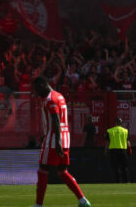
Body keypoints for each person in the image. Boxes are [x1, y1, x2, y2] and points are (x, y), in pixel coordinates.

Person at [32, 76, 91, 207]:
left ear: (42, 85)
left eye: (36, 89)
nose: (36, 92)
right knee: (62, 171)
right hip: (65, 138)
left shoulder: (50, 99)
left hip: (54, 139)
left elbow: (56, 119)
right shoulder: (59, 96)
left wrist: (57, 141)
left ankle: (38, 205)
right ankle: (83, 201)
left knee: (42, 170)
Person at [105, 116, 131, 184]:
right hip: (123, 150)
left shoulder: (110, 131)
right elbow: (128, 142)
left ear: (115, 122)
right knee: (124, 167)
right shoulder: (125, 131)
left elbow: (108, 142)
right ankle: (126, 181)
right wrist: (130, 149)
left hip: (113, 150)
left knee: (115, 167)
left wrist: (106, 150)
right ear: (121, 123)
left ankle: (117, 181)